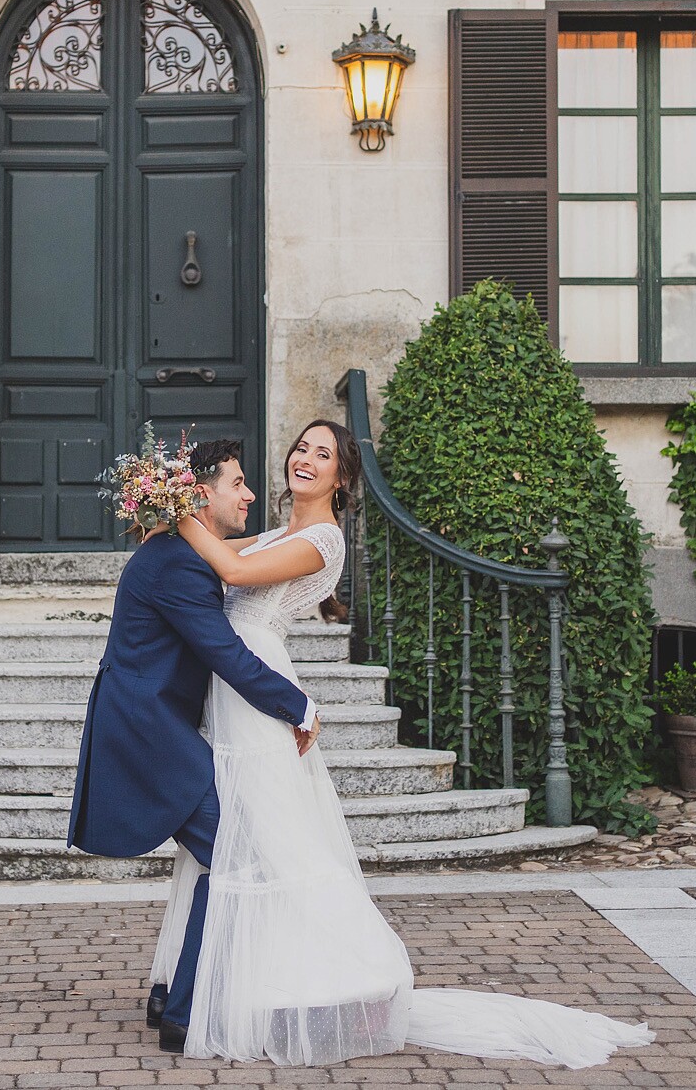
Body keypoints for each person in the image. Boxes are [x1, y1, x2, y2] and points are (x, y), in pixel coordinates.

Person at [149, 420, 656, 1068]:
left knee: (266, 831)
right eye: (302, 447)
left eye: (323, 453)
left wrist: (170, 500)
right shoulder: (278, 529)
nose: (306, 458)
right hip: (231, 683)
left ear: (343, 476)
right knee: (232, 830)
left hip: (257, 682)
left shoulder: (324, 539)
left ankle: (303, 976)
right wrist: (168, 518)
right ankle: (210, 982)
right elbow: (212, 557)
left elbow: (226, 564)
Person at [65, 439, 322, 1055]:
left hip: (158, 728)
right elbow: (224, 654)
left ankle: (170, 999)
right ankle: (183, 1013)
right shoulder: (177, 562)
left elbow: (243, 558)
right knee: (241, 859)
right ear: (202, 495)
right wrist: (298, 704)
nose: (250, 496)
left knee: (229, 857)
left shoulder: (177, 551)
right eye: (238, 484)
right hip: (149, 734)